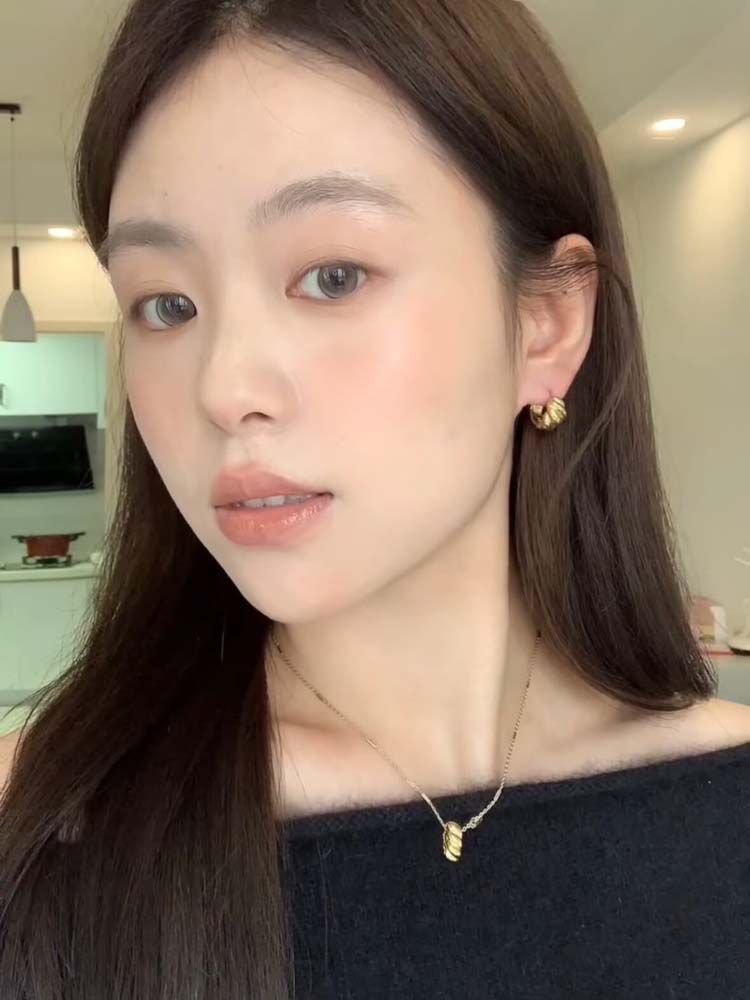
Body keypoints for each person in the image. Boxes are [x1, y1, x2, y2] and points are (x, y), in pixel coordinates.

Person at [1, 0, 749, 997]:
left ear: (545, 323)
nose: (223, 386)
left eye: (333, 276)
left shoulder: (725, 803)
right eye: (166, 304)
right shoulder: (40, 831)